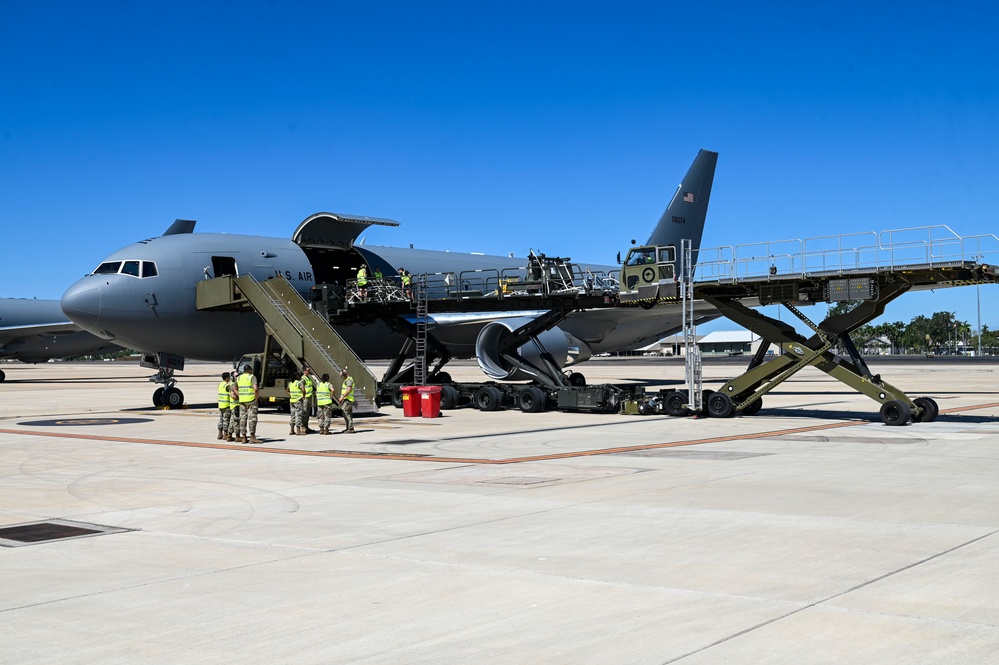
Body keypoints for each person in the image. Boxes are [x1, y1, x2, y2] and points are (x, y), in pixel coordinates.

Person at [236, 364, 261, 444]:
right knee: (252, 418)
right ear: (250, 370)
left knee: (242, 419)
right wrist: (256, 398)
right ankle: (252, 437)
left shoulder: (239, 377)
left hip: (242, 401)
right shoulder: (252, 377)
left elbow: (234, 388)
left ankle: (243, 437)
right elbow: (255, 388)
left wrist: (240, 395)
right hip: (251, 400)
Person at [286, 370, 305, 435]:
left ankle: (292, 430)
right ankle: (298, 430)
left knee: (292, 415)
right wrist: (303, 396)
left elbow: (287, 390)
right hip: (298, 400)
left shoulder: (290, 383)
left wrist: (291, 395)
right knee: (299, 415)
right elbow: (303, 390)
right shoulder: (299, 383)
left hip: (292, 400)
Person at [338, 367, 356, 433]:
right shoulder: (347, 380)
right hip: (347, 399)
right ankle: (348, 427)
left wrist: (342, 397)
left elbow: (348, 390)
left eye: (341, 376)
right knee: (347, 413)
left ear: (344, 375)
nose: (341, 377)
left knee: (346, 413)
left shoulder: (348, 380)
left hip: (348, 399)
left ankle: (350, 428)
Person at [301, 365, 316, 434]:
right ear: (304, 371)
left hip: (309, 397)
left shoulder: (308, 378)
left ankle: (306, 426)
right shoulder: (303, 378)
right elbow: (302, 387)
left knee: (307, 413)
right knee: (304, 412)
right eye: (308, 370)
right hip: (306, 398)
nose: (309, 371)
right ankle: (303, 427)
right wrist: (303, 396)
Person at [217, 372, 232, 440]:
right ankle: (225, 434)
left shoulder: (220, 384)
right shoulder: (227, 385)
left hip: (221, 404)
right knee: (226, 419)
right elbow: (232, 390)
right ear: (227, 378)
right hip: (226, 405)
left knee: (221, 419)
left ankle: (220, 433)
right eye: (229, 377)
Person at [226, 377, 240, 441]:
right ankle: (237, 436)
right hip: (236, 406)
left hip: (233, 406)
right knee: (236, 421)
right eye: (236, 376)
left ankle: (229, 435)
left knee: (232, 421)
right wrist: (241, 397)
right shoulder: (234, 385)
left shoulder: (233, 385)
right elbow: (233, 396)